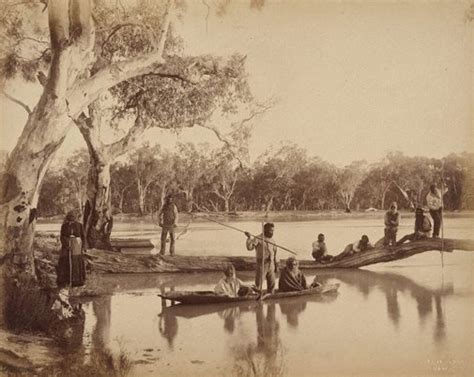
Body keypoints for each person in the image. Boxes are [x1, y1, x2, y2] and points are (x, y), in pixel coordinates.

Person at [57, 210, 86, 298]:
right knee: (66, 261)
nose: (72, 218)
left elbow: (83, 236)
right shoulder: (64, 226)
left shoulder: (79, 225)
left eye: (73, 216)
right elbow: (62, 236)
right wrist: (66, 245)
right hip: (67, 246)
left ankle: (76, 282)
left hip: (77, 246)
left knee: (76, 262)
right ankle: (66, 281)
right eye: (70, 216)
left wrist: (83, 247)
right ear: (67, 217)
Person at [245, 223, 278, 294]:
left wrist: (276, 265)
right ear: (265, 230)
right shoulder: (258, 238)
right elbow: (249, 248)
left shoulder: (272, 240)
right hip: (262, 264)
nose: (272, 232)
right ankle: (257, 297)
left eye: (273, 231)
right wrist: (249, 238)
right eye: (270, 230)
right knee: (258, 285)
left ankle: (271, 299)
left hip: (271, 264)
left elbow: (275, 253)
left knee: (272, 284)